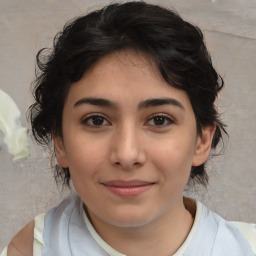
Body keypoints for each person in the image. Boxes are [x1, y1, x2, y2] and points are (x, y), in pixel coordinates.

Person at [1, 1, 255, 256]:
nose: (126, 155)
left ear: (202, 140)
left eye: (159, 120)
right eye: (96, 120)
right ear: (60, 141)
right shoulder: (29, 250)